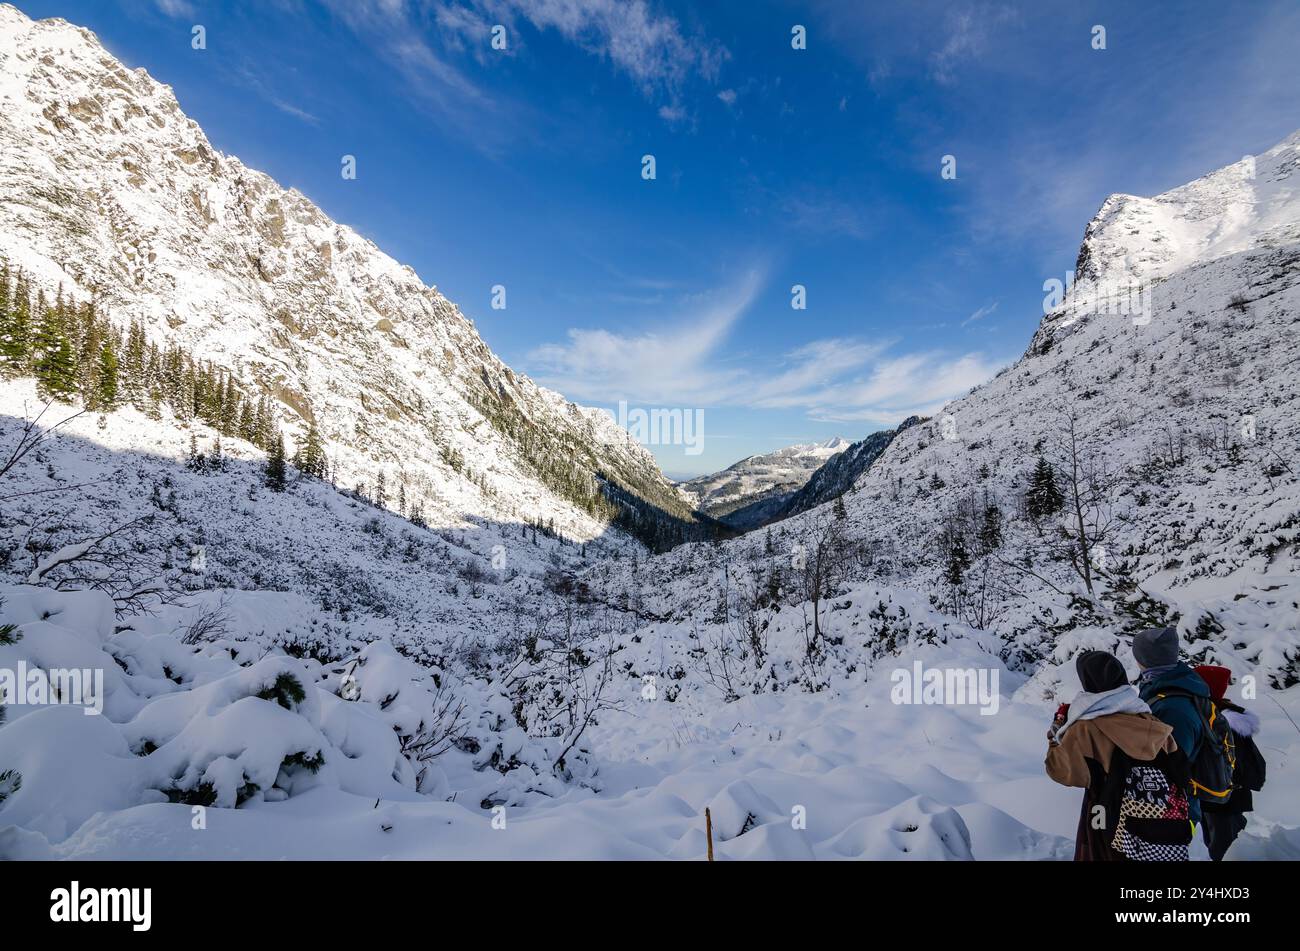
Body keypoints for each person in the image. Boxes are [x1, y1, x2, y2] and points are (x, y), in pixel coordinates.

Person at [1046, 650, 1179, 861]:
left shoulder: (1085, 728)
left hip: (1102, 815)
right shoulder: (1151, 721)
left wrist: (1056, 732)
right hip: (1155, 816)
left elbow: (1061, 771)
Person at [1132, 626, 1211, 827]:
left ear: (1145, 659)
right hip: (1170, 807)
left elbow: (1171, 767)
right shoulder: (1169, 686)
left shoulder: (1171, 709)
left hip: (1174, 812)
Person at [1194, 664, 1267, 861]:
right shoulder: (1221, 713)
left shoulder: (1220, 720)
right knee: (1219, 842)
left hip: (1223, 796)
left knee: (1223, 848)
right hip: (1224, 796)